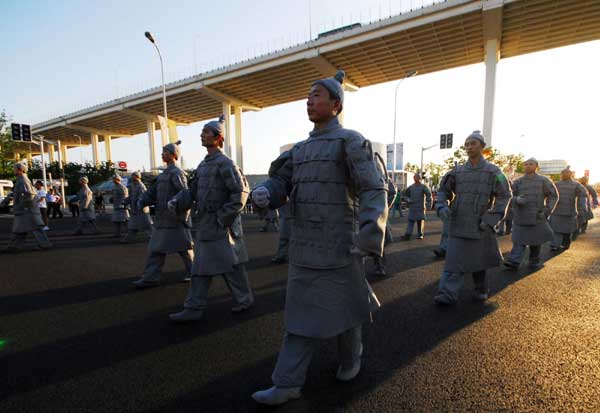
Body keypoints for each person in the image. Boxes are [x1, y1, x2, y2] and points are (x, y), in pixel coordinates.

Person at [250, 70, 388, 405]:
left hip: (342, 244)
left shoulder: (350, 141)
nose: (309, 100)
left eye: (317, 95)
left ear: (336, 105)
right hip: (304, 247)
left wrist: (370, 234)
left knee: (347, 311)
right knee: (299, 317)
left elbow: (373, 188)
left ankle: (350, 358)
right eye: (308, 95)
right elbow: (281, 182)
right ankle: (287, 383)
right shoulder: (300, 149)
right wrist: (266, 192)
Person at [169, 115, 254, 322]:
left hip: (221, 227)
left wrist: (222, 218)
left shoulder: (225, 163)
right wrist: (178, 201)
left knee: (224, 266)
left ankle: (199, 306)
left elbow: (241, 192)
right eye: (203, 131)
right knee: (211, 266)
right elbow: (193, 191)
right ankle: (199, 305)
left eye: (206, 132)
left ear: (218, 138)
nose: (202, 134)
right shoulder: (204, 164)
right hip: (207, 224)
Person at [433, 131, 511, 305]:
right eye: (467, 144)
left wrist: (491, 219)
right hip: (458, 221)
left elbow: (505, 195)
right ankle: (447, 293)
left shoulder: (495, 171)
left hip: (480, 224)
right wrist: (442, 206)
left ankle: (480, 288)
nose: (469, 147)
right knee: (453, 260)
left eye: (473, 143)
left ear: (482, 146)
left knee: (478, 262)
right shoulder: (457, 171)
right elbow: (442, 191)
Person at [132, 141, 193, 288]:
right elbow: (152, 192)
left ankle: (195, 272)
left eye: (165, 152)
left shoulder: (177, 173)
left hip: (175, 219)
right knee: (157, 249)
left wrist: (180, 211)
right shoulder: (163, 174)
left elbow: (184, 193)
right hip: (162, 219)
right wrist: (143, 200)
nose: (162, 154)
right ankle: (151, 277)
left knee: (184, 249)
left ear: (173, 155)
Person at [503, 158, 558, 270]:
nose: (527, 166)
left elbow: (554, 196)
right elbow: (507, 196)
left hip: (537, 216)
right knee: (518, 240)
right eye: (526, 164)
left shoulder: (544, 180)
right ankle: (514, 261)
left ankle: (534, 261)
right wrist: (516, 199)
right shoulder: (517, 181)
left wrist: (547, 210)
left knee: (535, 242)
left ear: (536, 166)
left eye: (530, 164)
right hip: (520, 217)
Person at [5, 163, 52, 251]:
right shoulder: (20, 180)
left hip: (27, 210)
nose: (13, 170)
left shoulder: (23, 180)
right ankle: (14, 247)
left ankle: (45, 245)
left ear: (20, 170)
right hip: (25, 210)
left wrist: (24, 206)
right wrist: (6, 201)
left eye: (15, 168)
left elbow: (29, 195)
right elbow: (16, 193)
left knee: (35, 229)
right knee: (20, 229)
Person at [549, 167, 586, 251]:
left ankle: (565, 244)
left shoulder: (576, 185)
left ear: (570, 174)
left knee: (567, 230)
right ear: (561, 175)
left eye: (567, 173)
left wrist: (582, 209)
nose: (565, 174)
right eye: (563, 173)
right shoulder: (556, 184)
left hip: (570, 212)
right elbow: (549, 196)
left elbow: (582, 197)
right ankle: (555, 244)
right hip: (556, 211)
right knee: (556, 229)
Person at [371, 178, 397, 277]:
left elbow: (393, 190)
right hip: (363, 212)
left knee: (383, 240)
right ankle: (379, 266)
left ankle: (379, 264)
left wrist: (386, 205)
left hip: (379, 214)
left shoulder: (383, 175)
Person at [121, 171, 153, 243]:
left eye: (133, 176)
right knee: (133, 225)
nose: (132, 177)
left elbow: (143, 197)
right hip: (135, 210)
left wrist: (138, 203)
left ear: (137, 177)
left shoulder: (141, 186)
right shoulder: (133, 186)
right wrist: (125, 201)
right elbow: (131, 197)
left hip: (141, 209)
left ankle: (154, 238)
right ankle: (129, 237)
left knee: (147, 226)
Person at [402, 173, 432, 240]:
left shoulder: (423, 186)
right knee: (410, 221)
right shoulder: (411, 187)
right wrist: (408, 200)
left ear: (420, 178)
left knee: (420, 222)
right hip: (412, 207)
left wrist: (429, 204)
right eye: (414, 177)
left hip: (420, 207)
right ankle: (408, 234)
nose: (415, 179)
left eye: (416, 177)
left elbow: (429, 195)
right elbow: (404, 194)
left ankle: (420, 234)